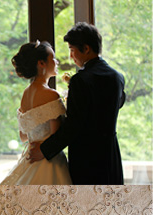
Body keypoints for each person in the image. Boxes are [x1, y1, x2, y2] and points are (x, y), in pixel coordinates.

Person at [28, 22, 126, 185]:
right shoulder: (117, 77)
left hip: (87, 160)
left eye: (72, 50)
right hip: (111, 156)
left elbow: (73, 126)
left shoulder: (81, 80)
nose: (71, 56)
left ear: (86, 49)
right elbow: (118, 103)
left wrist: (44, 150)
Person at [1, 40, 72, 185]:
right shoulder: (51, 95)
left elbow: (23, 136)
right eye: (52, 58)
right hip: (49, 161)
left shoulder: (25, 94)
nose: (57, 62)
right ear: (41, 63)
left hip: (30, 159)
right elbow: (56, 134)